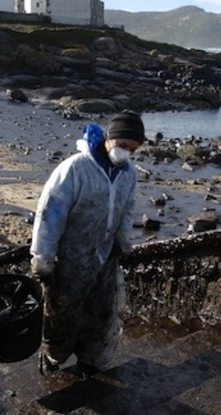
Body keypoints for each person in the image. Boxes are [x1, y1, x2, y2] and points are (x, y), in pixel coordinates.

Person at [29, 110, 145, 378]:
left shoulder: (128, 174)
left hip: (104, 256)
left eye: (133, 150)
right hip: (69, 259)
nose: (126, 154)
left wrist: (123, 242)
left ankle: (89, 363)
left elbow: (126, 210)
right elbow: (50, 213)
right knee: (62, 314)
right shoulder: (76, 168)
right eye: (123, 146)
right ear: (108, 138)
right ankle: (53, 358)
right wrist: (43, 258)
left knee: (101, 315)